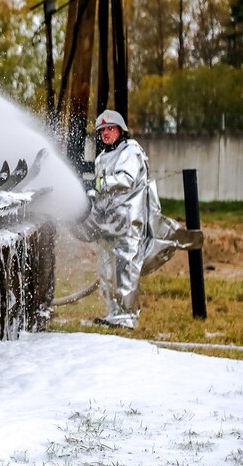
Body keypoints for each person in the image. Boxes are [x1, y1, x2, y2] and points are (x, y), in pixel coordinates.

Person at [84, 109, 150, 329]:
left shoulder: (131, 151)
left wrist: (97, 185)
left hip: (128, 222)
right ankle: (113, 313)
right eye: (102, 130)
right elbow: (102, 192)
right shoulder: (102, 157)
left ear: (121, 131)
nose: (106, 134)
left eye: (110, 129)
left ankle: (128, 317)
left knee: (125, 268)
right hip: (107, 223)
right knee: (106, 271)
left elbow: (125, 179)